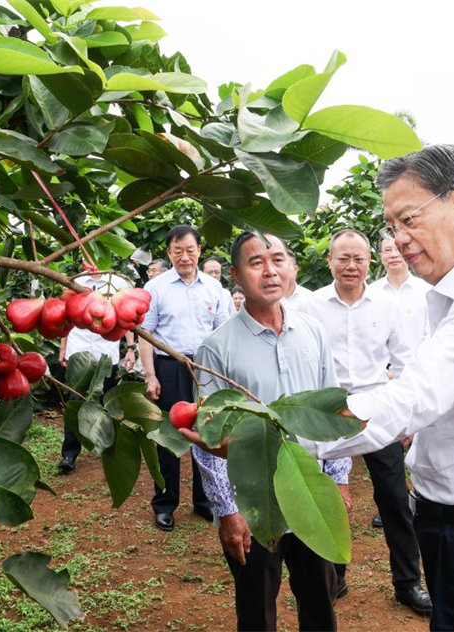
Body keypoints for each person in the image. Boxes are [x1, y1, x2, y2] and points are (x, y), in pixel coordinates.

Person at [228, 146, 454, 631]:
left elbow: (408, 397)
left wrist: (269, 433)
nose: (400, 238)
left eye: (408, 219)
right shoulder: (453, 295)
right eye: (392, 226)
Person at [192, 232, 349, 632]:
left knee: (320, 599)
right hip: (254, 502)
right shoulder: (216, 347)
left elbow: (334, 413)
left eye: (277, 259)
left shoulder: (313, 332)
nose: (270, 270)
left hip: (310, 491)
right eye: (256, 262)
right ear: (236, 276)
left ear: (292, 268)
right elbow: (208, 441)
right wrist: (228, 511)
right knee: (257, 606)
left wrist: (339, 481)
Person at [297, 229, 432, 614]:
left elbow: (405, 363)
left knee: (394, 500)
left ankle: (408, 583)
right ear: (329, 261)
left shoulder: (386, 306)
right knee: (325, 500)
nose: (351, 266)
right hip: (326, 412)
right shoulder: (311, 306)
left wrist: (407, 419)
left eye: (358, 258)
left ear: (369, 261)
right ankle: (333, 577)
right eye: (343, 258)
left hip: (377, 413)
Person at [139, 226, 228, 531]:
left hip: (204, 368)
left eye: (190, 250)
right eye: (178, 251)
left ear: (199, 251)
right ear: (169, 253)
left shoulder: (214, 288)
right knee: (169, 436)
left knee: (207, 432)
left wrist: (223, 375)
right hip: (169, 366)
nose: (185, 256)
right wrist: (150, 375)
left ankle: (205, 502)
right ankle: (165, 504)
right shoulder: (156, 288)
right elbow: (145, 334)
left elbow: (222, 333)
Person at [366, 235, 432, 530]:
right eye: (386, 250)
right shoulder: (371, 293)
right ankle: (392, 503)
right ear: (379, 256)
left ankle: (422, 499)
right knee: (387, 451)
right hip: (384, 380)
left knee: (422, 444)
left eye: (397, 249)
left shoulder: (425, 291)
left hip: (421, 376)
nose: (393, 254)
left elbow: (432, 337)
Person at [58, 272, 137, 474]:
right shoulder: (75, 283)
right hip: (79, 352)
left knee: (107, 402)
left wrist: (130, 348)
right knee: (75, 401)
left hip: (106, 352)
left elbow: (126, 319)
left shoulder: (118, 284)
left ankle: (107, 449)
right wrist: (63, 348)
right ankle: (69, 454)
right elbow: (66, 319)